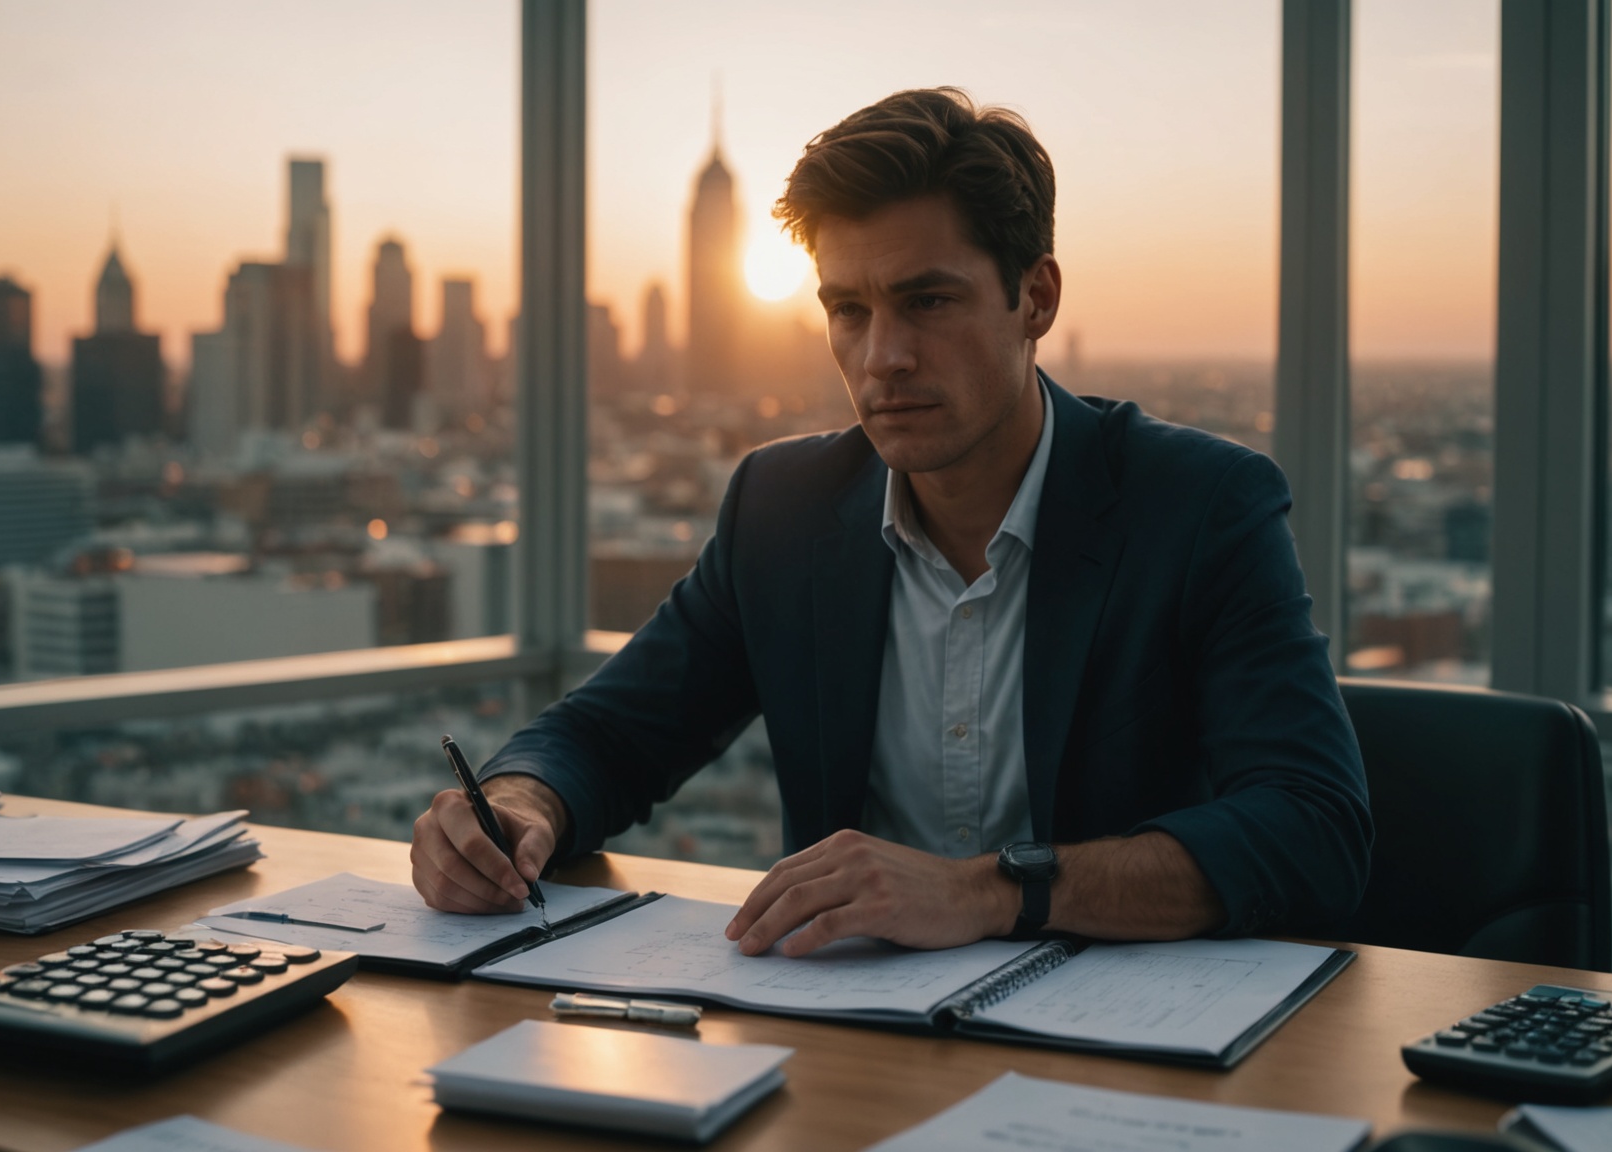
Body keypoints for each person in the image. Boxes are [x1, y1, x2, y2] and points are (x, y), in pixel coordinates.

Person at [412, 87, 1371, 957]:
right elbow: (611, 734)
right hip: (850, 1045)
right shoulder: (782, 511)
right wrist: (514, 803)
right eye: (848, 310)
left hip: (1129, 1054)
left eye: (928, 301)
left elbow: (1312, 830)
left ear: (1034, 299)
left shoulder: (1200, 507)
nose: (884, 358)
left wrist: (988, 893)